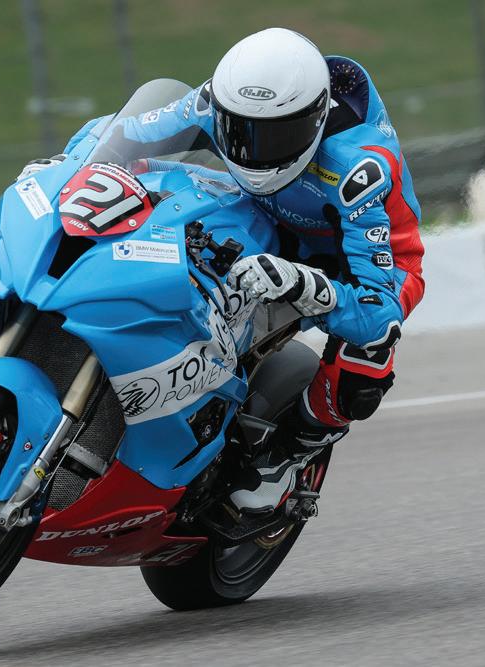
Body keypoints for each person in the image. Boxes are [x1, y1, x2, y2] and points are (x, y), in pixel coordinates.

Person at [27, 27, 425, 514]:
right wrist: (65, 169)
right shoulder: (214, 103)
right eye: (240, 131)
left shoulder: (358, 167)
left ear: (316, 119)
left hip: (353, 259)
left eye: (276, 135)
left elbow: (377, 308)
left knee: (366, 360)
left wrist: (304, 284)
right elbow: (119, 132)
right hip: (262, 212)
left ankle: (288, 455)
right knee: (158, 205)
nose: (254, 149)